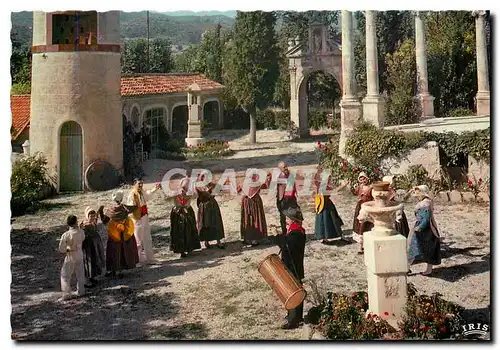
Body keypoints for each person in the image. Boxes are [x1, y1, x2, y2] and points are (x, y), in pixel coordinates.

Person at [276, 205, 306, 330]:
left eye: (287, 218)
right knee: (291, 290)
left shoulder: (296, 233)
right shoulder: (294, 230)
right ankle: (292, 315)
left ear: (293, 219)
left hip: (293, 267)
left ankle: (294, 320)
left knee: (293, 292)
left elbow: (288, 246)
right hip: (292, 265)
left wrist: (279, 240)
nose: (286, 219)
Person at [99, 190, 140, 276]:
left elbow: (104, 221)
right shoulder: (124, 208)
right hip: (125, 233)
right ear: (121, 199)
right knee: (125, 250)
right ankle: (123, 268)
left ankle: (115, 269)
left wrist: (101, 212)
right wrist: (136, 200)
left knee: (114, 251)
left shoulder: (110, 210)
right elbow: (135, 207)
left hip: (114, 234)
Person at [408, 185, 442, 275]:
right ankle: (407, 267)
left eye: (418, 193)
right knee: (412, 246)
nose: (417, 195)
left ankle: (428, 269)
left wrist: (420, 227)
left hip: (426, 229)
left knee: (425, 248)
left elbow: (426, 218)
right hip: (420, 226)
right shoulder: (424, 201)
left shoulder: (425, 203)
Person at [127, 179, 161, 264]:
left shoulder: (142, 192)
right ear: (134, 184)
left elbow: (148, 194)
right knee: (138, 240)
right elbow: (130, 208)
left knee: (147, 238)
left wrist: (155, 188)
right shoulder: (132, 195)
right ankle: (137, 261)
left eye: (141, 184)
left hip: (144, 216)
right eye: (139, 184)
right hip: (137, 219)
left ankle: (150, 259)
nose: (141, 185)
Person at [339, 172, 373, 254]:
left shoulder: (371, 187)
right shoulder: (359, 187)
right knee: (361, 226)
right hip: (360, 207)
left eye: (364, 178)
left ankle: (369, 245)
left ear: (367, 178)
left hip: (368, 207)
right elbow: (354, 193)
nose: (362, 180)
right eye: (361, 178)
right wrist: (348, 185)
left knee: (369, 225)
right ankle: (360, 247)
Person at [167, 177, 201, 258]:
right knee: (179, 231)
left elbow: (196, 195)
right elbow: (167, 198)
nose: (185, 188)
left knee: (189, 230)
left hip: (187, 211)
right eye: (184, 186)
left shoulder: (190, 192)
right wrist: (175, 193)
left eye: (187, 186)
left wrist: (192, 190)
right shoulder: (176, 192)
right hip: (178, 213)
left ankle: (190, 247)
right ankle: (181, 250)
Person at [313, 166, 345, 244]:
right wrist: (344, 185)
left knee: (326, 220)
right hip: (323, 204)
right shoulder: (321, 185)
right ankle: (327, 237)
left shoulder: (322, 184)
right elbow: (334, 191)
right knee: (327, 220)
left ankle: (327, 237)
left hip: (324, 203)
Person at [237, 173, 270, 246]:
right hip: (253, 202)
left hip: (249, 202)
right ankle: (251, 238)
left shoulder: (245, 183)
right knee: (253, 219)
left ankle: (250, 238)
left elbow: (237, 190)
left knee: (251, 219)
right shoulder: (257, 183)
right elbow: (265, 186)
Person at [59, 215, 86, 301]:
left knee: (65, 275)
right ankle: (81, 291)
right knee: (80, 273)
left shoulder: (66, 235)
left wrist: (68, 248)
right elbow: (83, 238)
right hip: (80, 254)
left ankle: (67, 294)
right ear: (76, 222)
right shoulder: (81, 232)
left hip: (70, 255)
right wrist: (80, 228)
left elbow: (61, 249)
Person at [195, 172, 225, 249]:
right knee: (205, 223)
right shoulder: (198, 187)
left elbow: (215, 192)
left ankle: (218, 241)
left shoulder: (211, 185)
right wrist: (208, 192)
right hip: (204, 207)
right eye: (201, 177)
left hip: (212, 205)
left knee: (216, 222)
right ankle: (206, 241)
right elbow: (201, 197)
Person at [269, 161, 299, 235]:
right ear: (280, 169)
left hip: (291, 198)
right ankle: (284, 231)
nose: (286, 168)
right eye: (284, 167)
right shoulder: (278, 176)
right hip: (282, 199)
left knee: (293, 215)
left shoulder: (290, 174)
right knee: (282, 216)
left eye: (286, 166)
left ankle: (293, 230)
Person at [80, 207, 106, 287]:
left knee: (96, 259)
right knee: (90, 261)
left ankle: (94, 277)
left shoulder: (94, 222)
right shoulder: (85, 225)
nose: (93, 218)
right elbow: (82, 236)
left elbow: (97, 219)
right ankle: (89, 277)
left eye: (93, 216)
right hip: (89, 246)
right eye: (91, 216)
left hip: (96, 244)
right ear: (87, 216)